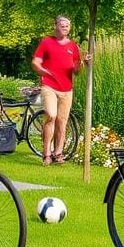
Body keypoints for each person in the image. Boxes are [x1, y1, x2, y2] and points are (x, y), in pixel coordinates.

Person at [31, 16, 91, 165]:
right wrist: (43, 71)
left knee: (62, 121)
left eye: (67, 26)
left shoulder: (73, 46)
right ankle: (46, 154)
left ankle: (58, 153)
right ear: (55, 26)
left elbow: (76, 70)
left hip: (66, 89)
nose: (65, 28)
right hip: (49, 86)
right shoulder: (46, 42)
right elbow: (35, 62)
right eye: (62, 25)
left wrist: (84, 63)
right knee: (51, 116)